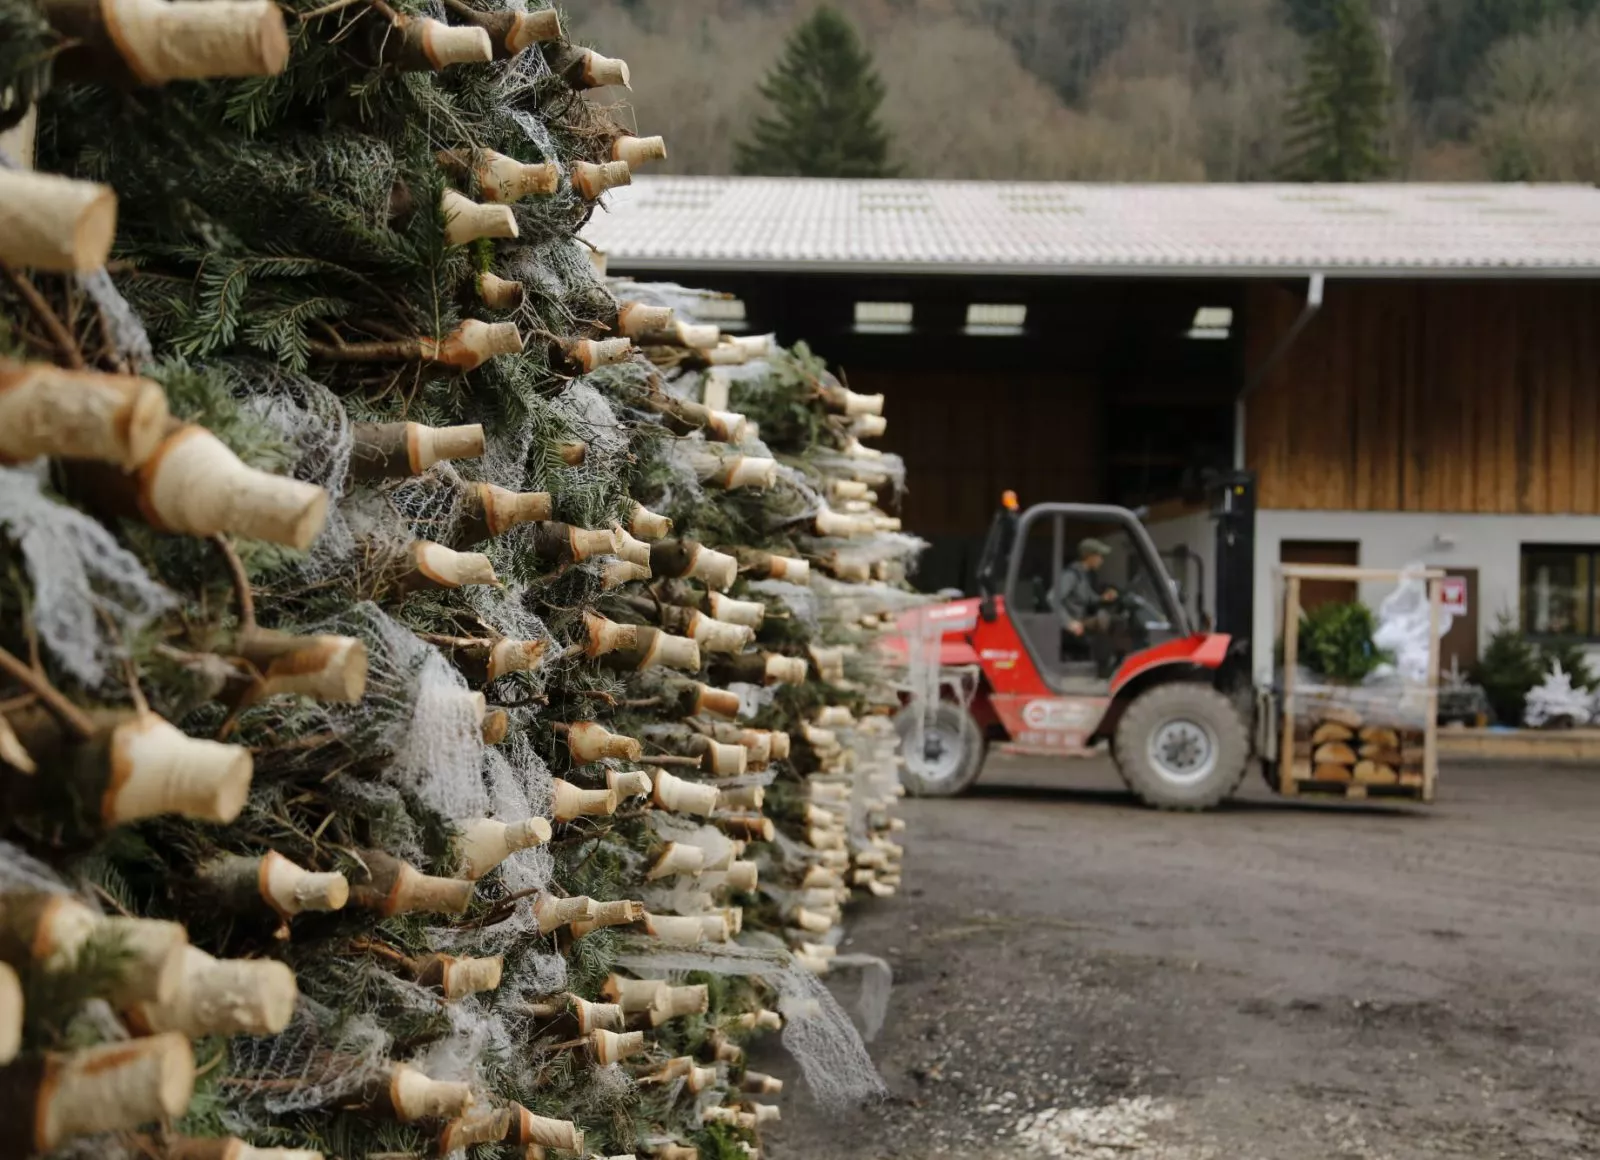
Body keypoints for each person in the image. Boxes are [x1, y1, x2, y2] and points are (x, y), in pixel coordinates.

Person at [1053, 538, 1120, 672]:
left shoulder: (1084, 575)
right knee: (1104, 621)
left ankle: (1111, 663)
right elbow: (1052, 599)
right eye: (1099, 556)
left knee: (1115, 621)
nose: (1102, 560)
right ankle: (1104, 668)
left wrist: (1104, 598)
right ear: (1089, 556)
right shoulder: (1071, 575)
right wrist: (1069, 623)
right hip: (1072, 624)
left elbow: (1088, 598)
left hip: (1081, 620)